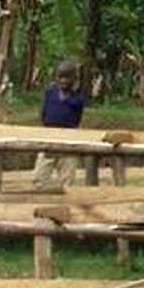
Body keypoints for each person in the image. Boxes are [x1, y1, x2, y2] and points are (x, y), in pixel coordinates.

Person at [32, 59, 88, 190]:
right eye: (60, 77)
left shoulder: (77, 99)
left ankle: (66, 201)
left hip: (68, 139)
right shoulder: (50, 94)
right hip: (49, 137)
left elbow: (77, 119)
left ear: (74, 79)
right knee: (40, 176)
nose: (63, 81)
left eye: (67, 77)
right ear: (56, 77)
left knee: (67, 176)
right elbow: (44, 113)